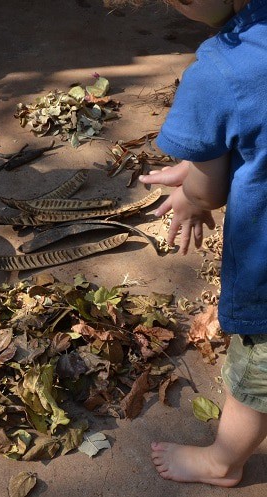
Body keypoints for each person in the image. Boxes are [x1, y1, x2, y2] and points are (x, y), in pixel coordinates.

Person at [117, 0, 267, 487]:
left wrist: (192, 196)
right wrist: (213, 159)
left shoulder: (220, 70)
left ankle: (223, 462)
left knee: (255, 378)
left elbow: (210, 189)